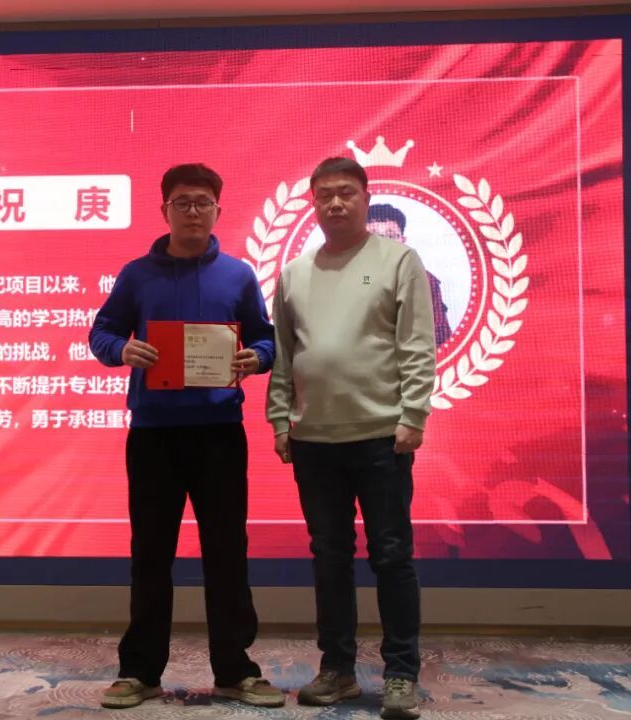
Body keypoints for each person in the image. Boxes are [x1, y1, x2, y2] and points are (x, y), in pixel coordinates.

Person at [89, 163, 283, 709]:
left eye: (202, 202)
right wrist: (121, 350)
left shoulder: (238, 276)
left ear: (218, 210)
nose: (192, 211)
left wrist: (256, 357)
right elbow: (101, 332)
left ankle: (235, 670)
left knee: (227, 554)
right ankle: (139, 671)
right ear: (165, 210)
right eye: (182, 202)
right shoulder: (136, 275)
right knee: (151, 555)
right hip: (154, 436)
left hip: (219, 435)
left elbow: (267, 340)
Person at [266, 157, 436, 719]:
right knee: (329, 558)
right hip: (314, 440)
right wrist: (279, 418)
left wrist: (414, 414)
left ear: (366, 197)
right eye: (324, 195)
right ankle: (337, 669)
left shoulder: (398, 260)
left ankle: (401, 674)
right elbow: (285, 354)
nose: (335, 203)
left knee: (392, 556)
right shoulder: (295, 273)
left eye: (346, 192)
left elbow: (416, 344)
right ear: (312, 204)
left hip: (382, 436)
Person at [366, 203, 453, 345]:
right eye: (375, 237)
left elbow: (441, 333)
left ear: (403, 241)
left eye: (391, 236)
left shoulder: (425, 279)